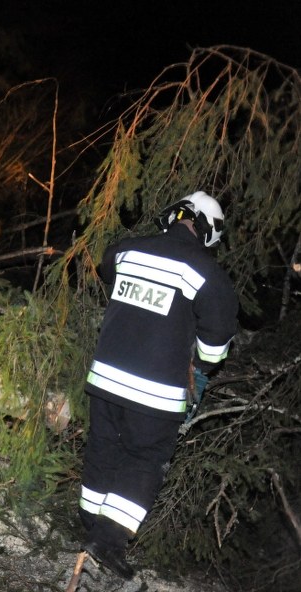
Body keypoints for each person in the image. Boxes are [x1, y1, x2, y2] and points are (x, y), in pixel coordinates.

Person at [78, 191, 239, 578]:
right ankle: (107, 541)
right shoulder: (205, 272)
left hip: (105, 380)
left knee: (102, 447)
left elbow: (109, 271)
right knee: (145, 460)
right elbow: (218, 337)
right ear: (208, 231)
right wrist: (201, 366)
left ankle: (88, 525)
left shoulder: (125, 251)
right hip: (155, 394)